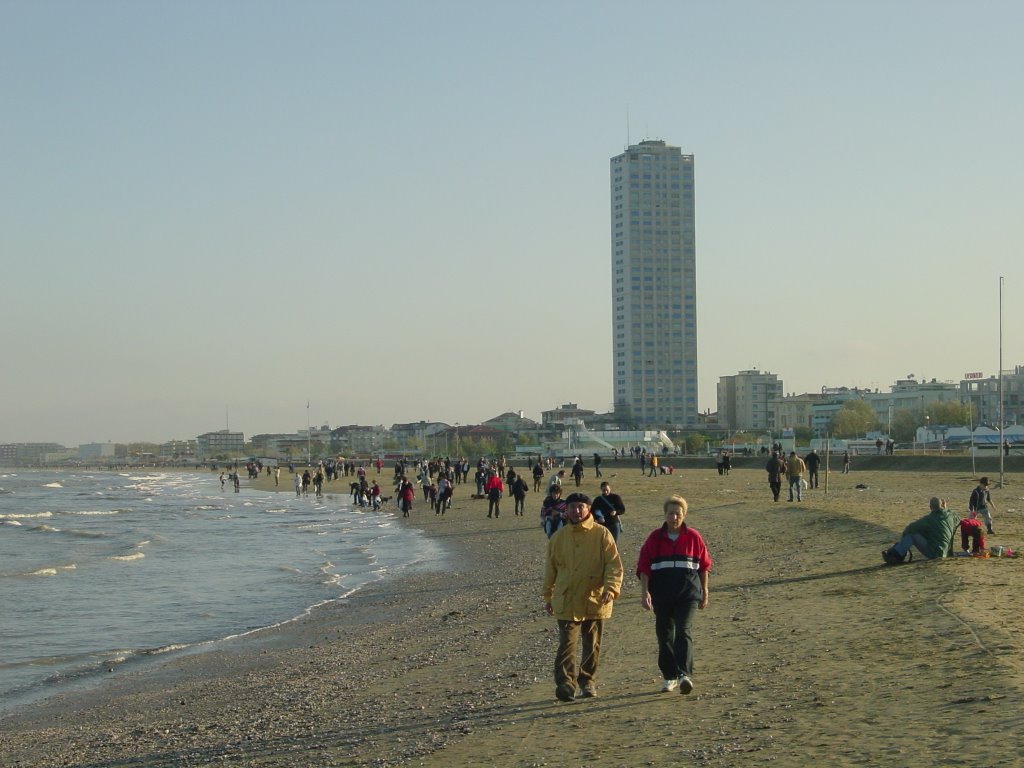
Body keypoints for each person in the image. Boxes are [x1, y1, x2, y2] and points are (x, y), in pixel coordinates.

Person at [542, 493, 623, 701]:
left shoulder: (602, 534)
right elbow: (550, 569)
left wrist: (611, 588)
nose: (577, 511)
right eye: (573, 507)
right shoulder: (558, 538)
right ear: (566, 510)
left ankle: (587, 681)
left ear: (588, 509)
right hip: (566, 597)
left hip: (594, 598)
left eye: (581, 507)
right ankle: (566, 684)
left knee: (592, 642)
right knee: (567, 643)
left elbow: (613, 564)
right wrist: (547, 596)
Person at [636, 494, 712, 695]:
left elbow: (704, 566)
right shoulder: (654, 538)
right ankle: (669, 676)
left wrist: (705, 591)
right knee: (664, 635)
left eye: (678, 514)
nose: (674, 518)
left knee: (683, 630)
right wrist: (645, 594)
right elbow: (644, 567)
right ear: (665, 515)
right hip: (662, 595)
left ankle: (684, 674)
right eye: (670, 513)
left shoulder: (694, 537)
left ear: (684, 515)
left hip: (688, 595)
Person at [882, 497, 960, 564]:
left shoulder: (929, 519)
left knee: (911, 536)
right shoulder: (951, 515)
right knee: (924, 532)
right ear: (943, 505)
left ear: (930, 507)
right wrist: (946, 509)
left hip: (936, 553)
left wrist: (903, 539)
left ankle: (896, 554)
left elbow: (909, 528)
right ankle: (898, 551)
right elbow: (958, 519)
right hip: (947, 552)